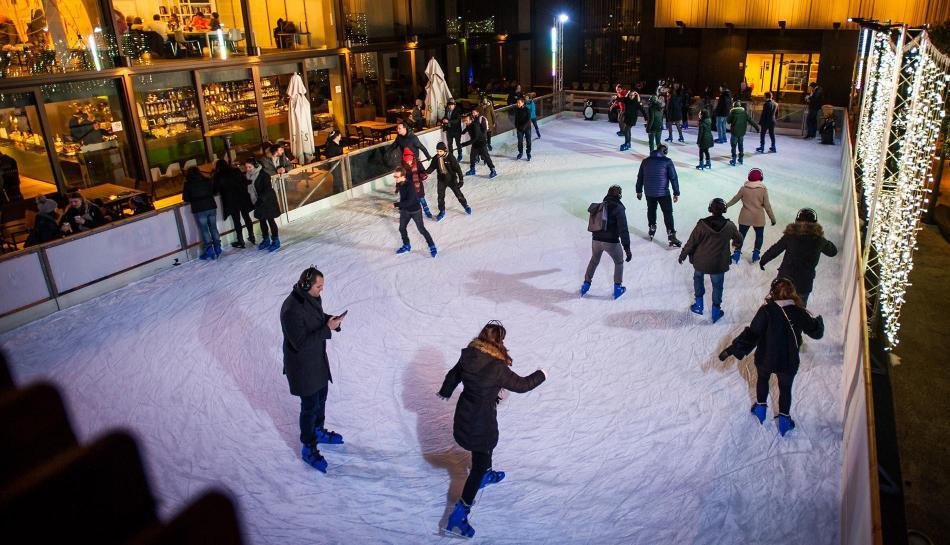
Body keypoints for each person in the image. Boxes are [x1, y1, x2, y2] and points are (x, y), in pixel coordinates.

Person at [438, 321, 547, 538]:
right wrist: (542, 374)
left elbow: (453, 375)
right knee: (481, 457)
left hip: (464, 415)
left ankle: (486, 474)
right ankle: (458, 517)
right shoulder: (497, 367)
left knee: (484, 450)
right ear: (498, 341)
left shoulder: (469, 355)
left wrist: (446, 391)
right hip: (481, 422)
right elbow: (523, 385)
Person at [718, 278, 825, 436]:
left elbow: (752, 334)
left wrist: (732, 349)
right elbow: (816, 332)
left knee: (762, 379)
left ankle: (760, 409)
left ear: (773, 292)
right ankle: (784, 421)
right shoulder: (799, 312)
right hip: (788, 361)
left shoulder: (766, 311)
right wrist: (819, 322)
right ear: (792, 292)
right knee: (785, 389)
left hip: (765, 358)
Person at [280, 266, 347, 473]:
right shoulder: (291, 309)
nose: (321, 290)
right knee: (309, 408)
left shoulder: (311, 298)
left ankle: (318, 430)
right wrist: (326, 329)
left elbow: (316, 318)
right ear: (307, 285)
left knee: (322, 399)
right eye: (319, 286)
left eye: (322, 286)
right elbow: (300, 343)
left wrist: (330, 320)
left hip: (317, 361)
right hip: (302, 367)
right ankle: (308, 447)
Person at [677, 198, 742, 322]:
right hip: (719, 263)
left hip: (701, 261)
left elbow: (691, 243)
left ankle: (699, 305)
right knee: (717, 286)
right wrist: (735, 246)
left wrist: (683, 255)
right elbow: (739, 239)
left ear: (710, 209)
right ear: (724, 210)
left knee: (698, 278)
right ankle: (716, 312)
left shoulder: (702, 225)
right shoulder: (730, 226)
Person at [759, 208, 837, 307]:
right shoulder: (819, 240)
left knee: (777, 307)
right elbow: (833, 252)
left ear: (797, 221)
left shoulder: (790, 236)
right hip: (804, 284)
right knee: (799, 312)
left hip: (785, 281)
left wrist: (763, 260)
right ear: (815, 223)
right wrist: (822, 239)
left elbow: (775, 249)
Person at [581, 185, 632, 299]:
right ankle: (618, 288)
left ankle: (585, 285)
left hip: (596, 240)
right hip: (611, 242)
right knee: (619, 262)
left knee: (594, 261)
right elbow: (623, 229)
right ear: (619, 195)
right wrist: (627, 248)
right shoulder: (619, 208)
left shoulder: (601, 206)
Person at [725, 168, 776, 264]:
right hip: (758, 218)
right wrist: (772, 219)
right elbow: (767, 206)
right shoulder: (763, 190)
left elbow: (735, 199)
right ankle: (755, 256)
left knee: (741, 236)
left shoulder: (744, 188)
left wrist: (726, 205)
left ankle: (736, 255)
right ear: (761, 178)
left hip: (745, 217)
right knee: (759, 236)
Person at [635, 144, 681, 247]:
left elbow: (640, 177)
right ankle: (671, 234)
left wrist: (639, 190)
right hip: (663, 193)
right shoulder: (667, 161)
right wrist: (676, 192)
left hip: (649, 192)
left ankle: (652, 227)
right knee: (668, 213)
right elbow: (673, 177)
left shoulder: (645, 161)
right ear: (664, 151)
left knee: (651, 209)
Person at [393, 166, 437, 257]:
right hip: (405, 210)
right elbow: (402, 197)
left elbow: (409, 202)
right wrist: (401, 210)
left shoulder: (410, 186)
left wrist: (395, 205)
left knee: (421, 229)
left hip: (415, 210)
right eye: (394, 176)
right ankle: (407, 245)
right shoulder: (399, 183)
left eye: (396, 177)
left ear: (403, 176)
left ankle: (432, 246)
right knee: (401, 228)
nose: (395, 178)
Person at [214, 159, 255, 249]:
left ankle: (240, 240)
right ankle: (252, 236)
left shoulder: (219, 175)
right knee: (246, 217)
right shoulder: (235, 171)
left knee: (236, 221)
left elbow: (215, 189)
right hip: (242, 197)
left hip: (231, 201)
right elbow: (245, 181)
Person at [182, 166, 221, 260]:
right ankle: (218, 247)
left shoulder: (188, 184)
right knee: (213, 227)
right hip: (211, 207)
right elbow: (214, 191)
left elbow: (186, 198)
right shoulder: (206, 180)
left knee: (205, 230)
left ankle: (209, 250)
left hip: (199, 209)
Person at [425, 141, 469, 221]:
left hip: (451, 179)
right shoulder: (436, 158)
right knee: (440, 197)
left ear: (445, 150)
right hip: (441, 179)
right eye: (437, 151)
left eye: (440, 151)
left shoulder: (450, 157)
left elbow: (458, 169)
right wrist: (426, 173)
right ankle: (442, 211)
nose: (438, 153)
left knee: (458, 194)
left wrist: (461, 180)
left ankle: (465, 205)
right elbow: (432, 167)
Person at [246, 157, 281, 252]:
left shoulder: (264, 175)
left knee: (270, 220)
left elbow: (268, 190)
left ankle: (275, 240)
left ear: (256, 166)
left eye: (249, 167)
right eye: (246, 167)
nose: (248, 169)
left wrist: (260, 199)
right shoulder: (248, 176)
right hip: (258, 202)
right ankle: (266, 239)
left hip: (267, 201)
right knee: (262, 221)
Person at [461, 112, 497, 178]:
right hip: (475, 144)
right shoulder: (468, 125)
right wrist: (461, 133)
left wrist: (464, 144)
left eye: (466, 120)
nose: (465, 122)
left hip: (481, 143)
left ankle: (493, 170)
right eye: (465, 120)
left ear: (471, 120)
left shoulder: (475, 125)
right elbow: (466, 129)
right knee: (472, 157)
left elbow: (475, 138)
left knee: (486, 157)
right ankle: (472, 170)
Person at [726, 100, 759, 166]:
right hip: (742, 132)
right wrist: (757, 127)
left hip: (734, 132)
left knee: (733, 146)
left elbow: (728, 121)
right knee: (741, 145)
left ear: (734, 106)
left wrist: (730, 114)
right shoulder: (744, 112)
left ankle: (734, 159)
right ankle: (741, 158)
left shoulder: (732, 112)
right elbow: (750, 120)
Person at [402, 147, 432, 219]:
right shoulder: (403, 166)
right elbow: (402, 177)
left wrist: (423, 175)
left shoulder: (418, 163)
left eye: (410, 160)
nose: (408, 162)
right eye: (407, 161)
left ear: (412, 158)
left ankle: (427, 211)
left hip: (418, 186)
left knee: (422, 200)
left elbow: (422, 171)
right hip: (410, 188)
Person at [617, 87, 640, 152]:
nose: (631, 96)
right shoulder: (627, 100)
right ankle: (628, 143)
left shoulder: (636, 102)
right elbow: (621, 99)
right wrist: (616, 97)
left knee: (626, 130)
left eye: (632, 95)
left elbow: (642, 109)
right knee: (628, 130)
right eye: (630, 95)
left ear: (634, 95)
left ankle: (627, 143)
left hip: (632, 119)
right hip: (627, 118)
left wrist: (646, 117)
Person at [513, 97, 532, 161]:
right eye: (517, 103)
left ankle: (528, 153)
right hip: (519, 129)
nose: (517, 104)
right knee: (520, 141)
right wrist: (516, 126)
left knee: (528, 141)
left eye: (519, 103)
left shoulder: (527, 109)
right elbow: (516, 119)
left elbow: (528, 120)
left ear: (523, 103)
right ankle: (520, 153)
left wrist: (523, 127)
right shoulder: (517, 109)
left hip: (527, 128)